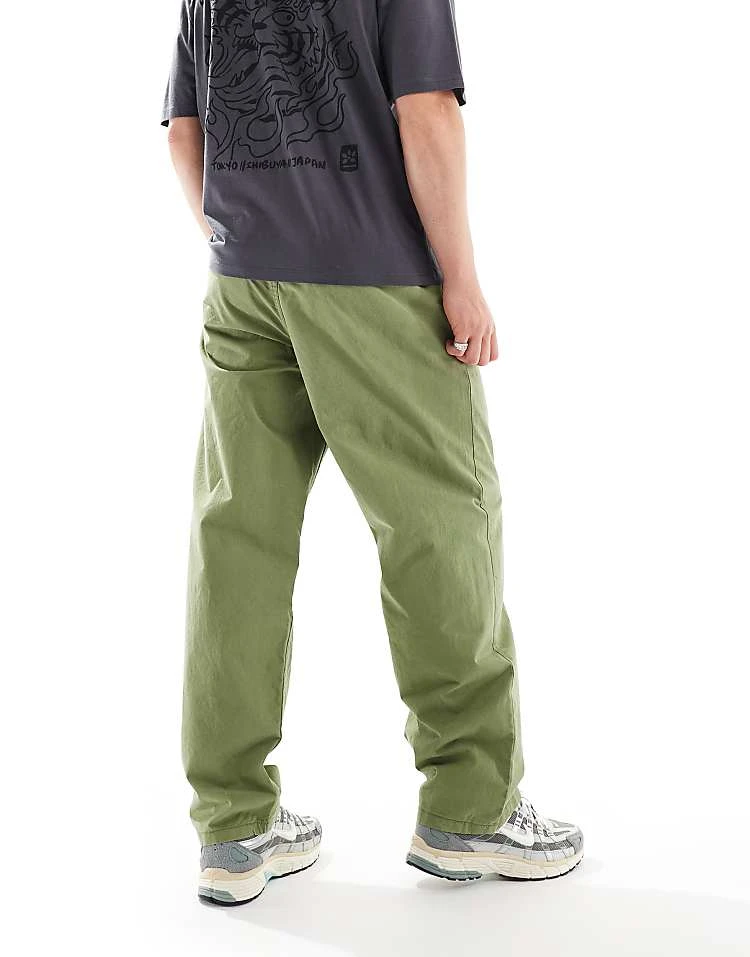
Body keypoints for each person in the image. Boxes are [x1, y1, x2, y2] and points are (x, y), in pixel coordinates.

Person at [162, 0, 582, 906]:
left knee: (237, 542)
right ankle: (471, 809)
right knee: (440, 524)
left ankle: (233, 824)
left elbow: (184, 130)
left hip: (242, 283)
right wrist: (462, 280)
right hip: (374, 278)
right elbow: (426, 111)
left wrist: (245, 241)